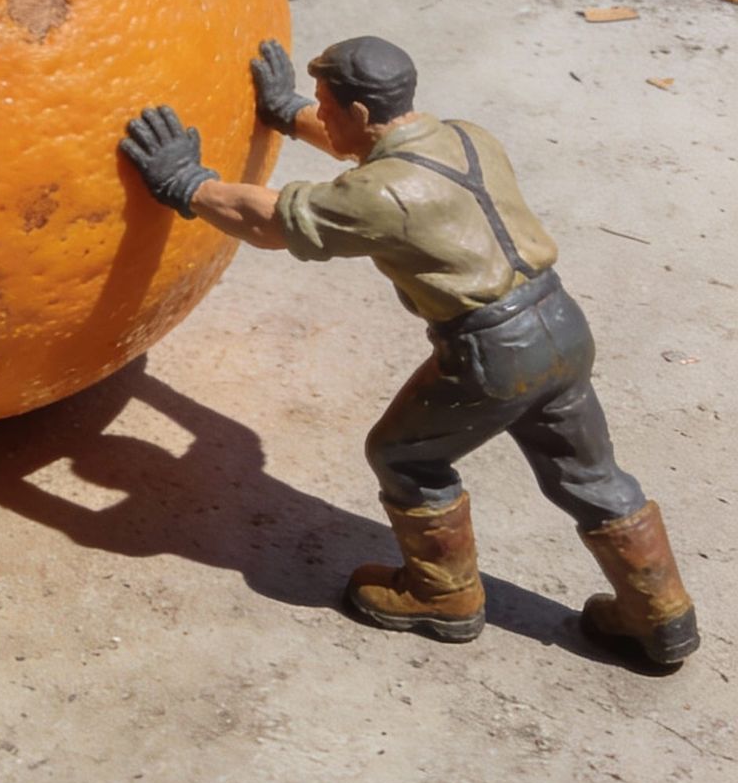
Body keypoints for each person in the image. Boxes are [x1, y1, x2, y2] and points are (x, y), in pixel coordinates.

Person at [119, 36, 699, 666]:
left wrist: (187, 182)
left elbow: (270, 221)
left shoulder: (384, 198)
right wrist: (288, 111)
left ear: (360, 113)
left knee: (403, 456)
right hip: (560, 323)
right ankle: (660, 613)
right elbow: (373, 155)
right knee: (590, 474)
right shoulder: (467, 136)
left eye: (326, 105)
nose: (324, 115)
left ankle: (442, 595)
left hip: (492, 351)